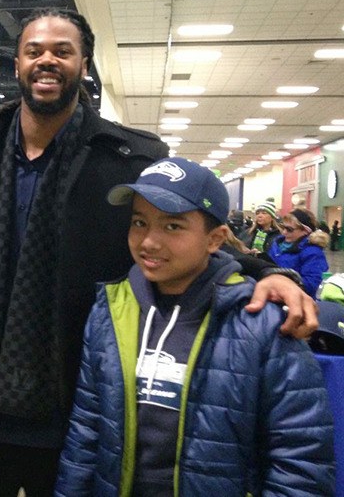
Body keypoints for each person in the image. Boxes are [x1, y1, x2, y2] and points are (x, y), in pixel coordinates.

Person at [0, 9, 318, 495]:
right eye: (34, 50)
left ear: (82, 65)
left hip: (72, 419)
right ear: (18, 62)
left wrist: (268, 273)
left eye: (62, 51)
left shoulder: (129, 158)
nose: (47, 60)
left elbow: (186, 230)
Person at [55, 157, 334, 496]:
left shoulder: (263, 323)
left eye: (172, 226)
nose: (148, 242)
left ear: (215, 239)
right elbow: (87, 431)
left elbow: (300, 460)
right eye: (139, 222)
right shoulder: (110, 311)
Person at [268, 208, 330, 297]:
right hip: (271, 293)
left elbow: (311, 284)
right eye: (283, 227)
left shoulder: (313, 252)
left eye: (289, 229)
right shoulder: (277, 244)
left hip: (296, 300)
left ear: (305, 231)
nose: (284, 232)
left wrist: (280, 286)